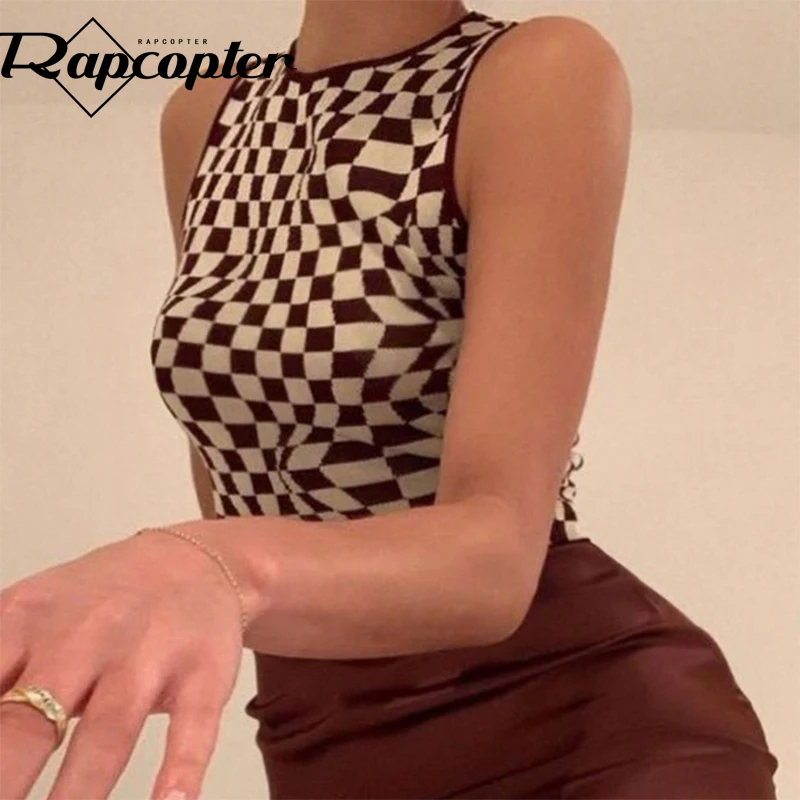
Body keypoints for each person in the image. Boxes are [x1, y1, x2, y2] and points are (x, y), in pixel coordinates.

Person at [0, 2, 780, 799]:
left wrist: (207, 561)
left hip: (577, 731)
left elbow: (496, 559)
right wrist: (198, 581)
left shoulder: (534, 72)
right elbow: (240, 466)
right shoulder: (204, 112)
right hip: (321, 729)